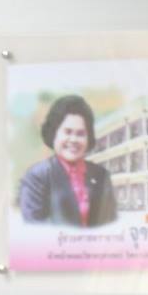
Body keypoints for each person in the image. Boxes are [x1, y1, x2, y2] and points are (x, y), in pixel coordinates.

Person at [17, 95, 117, 228]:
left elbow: (111, 225)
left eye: (80, 134)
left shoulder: (101, 176)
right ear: (54, 133)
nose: (74, 139)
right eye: (67, 132)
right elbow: (34, 229)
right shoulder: (37, 177)